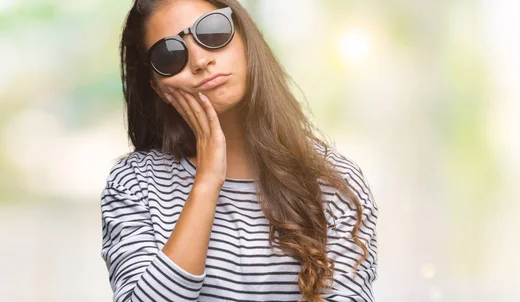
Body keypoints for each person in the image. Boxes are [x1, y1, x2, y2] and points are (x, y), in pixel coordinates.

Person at [100, 0, 379, 301]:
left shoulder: (335, 181)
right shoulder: (134, 184)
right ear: (158, 87)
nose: (200, 61)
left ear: (246, 39)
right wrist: (206, 183)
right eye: (170, 56)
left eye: (213, 31)